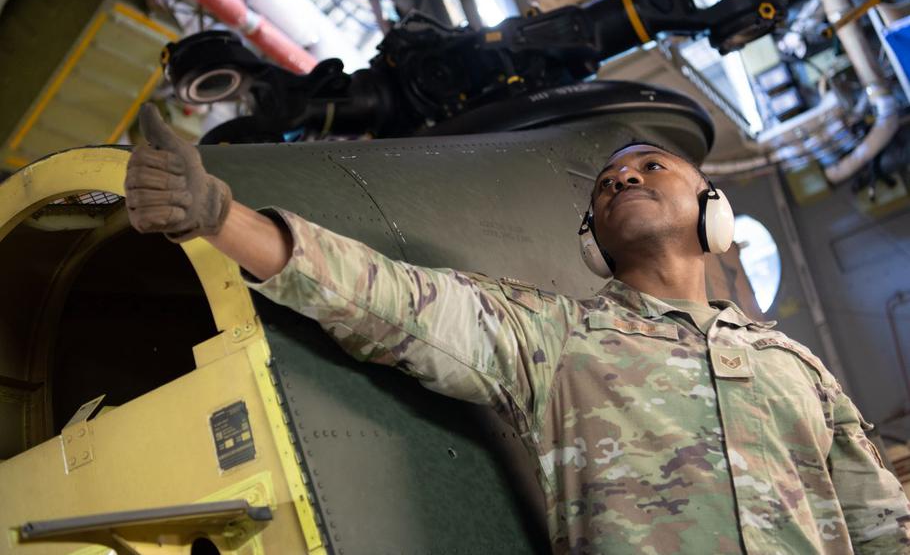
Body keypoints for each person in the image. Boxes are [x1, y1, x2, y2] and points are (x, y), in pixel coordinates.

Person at [125, 103, 910, 554]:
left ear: (714, 210)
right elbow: (392, 302)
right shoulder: (557, 339)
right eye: (607, 184)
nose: (625, 178)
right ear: (591, 241)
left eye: (650, 169)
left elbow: (880, 526)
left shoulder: (798, 368)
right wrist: (221, 219)